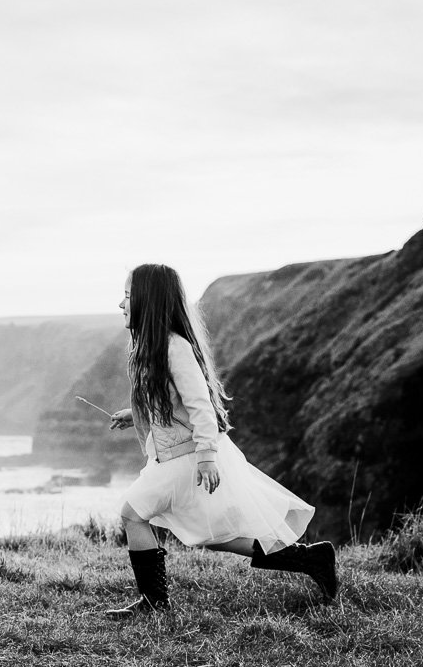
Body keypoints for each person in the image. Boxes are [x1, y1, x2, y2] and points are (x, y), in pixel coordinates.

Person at [102, 263, 338, 617]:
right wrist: (134, 414)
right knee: (216, 537)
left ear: (147, 301)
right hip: (174, 456)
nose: (121, 305)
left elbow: (200, 407)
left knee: (132, 514)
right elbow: (168, 401)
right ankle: (311, 559)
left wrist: (207, 456)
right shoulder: (153, 347)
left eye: (127, 296)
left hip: (188, 458)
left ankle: (154, 603)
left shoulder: (173, 347)